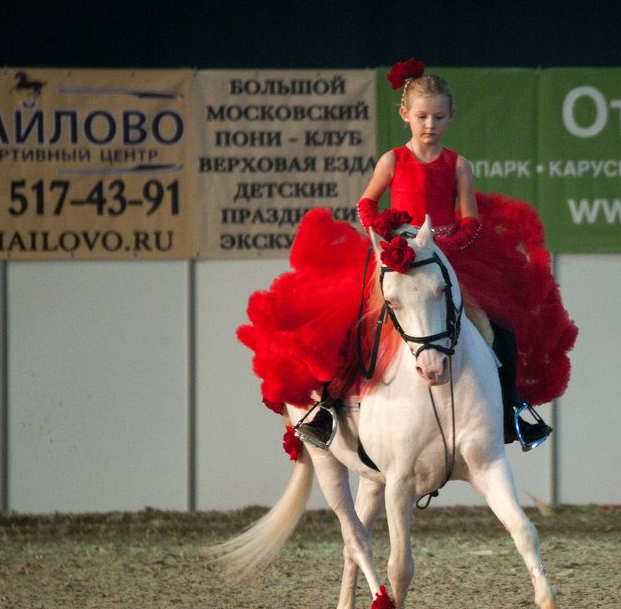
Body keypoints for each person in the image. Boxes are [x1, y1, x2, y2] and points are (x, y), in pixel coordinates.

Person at [238, 58, 576, 454]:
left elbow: (472, 221)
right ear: (405, 115)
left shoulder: (458, 165)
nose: (429, 124)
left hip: (446, 260)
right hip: (396, 257)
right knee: (351, 324)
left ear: (451, 116)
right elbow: (366, 204)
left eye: (438, 116)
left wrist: (444, 247)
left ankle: (511, 410)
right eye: (421, 116)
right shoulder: (393, 160)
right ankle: (327, 408)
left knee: (499, 329)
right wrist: (385, 232)